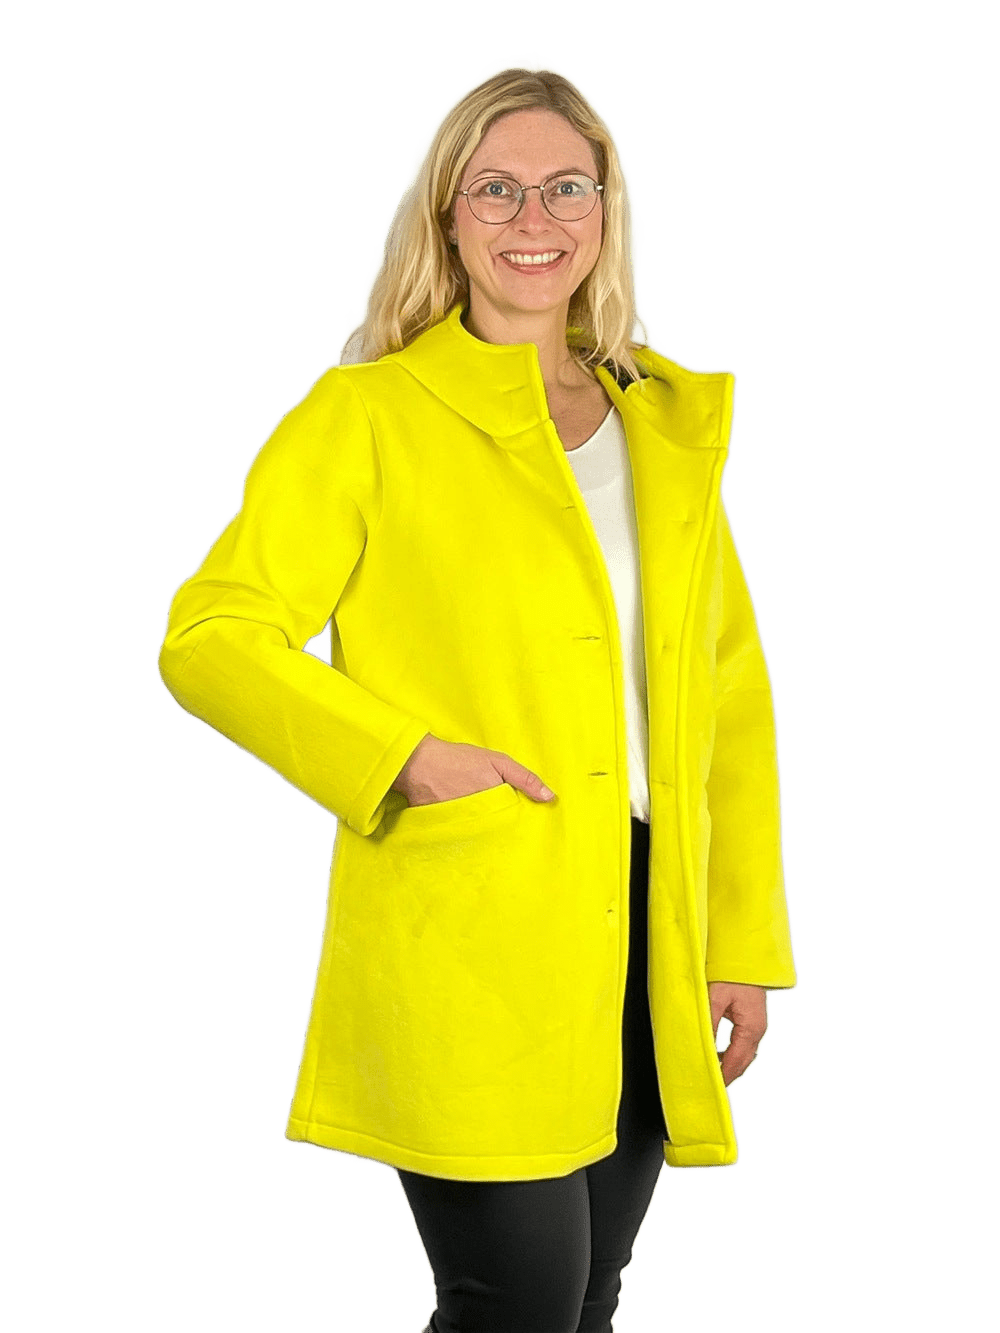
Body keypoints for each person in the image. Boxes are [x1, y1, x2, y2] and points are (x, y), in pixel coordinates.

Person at [157, 58, 798, 1333]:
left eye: (566, 187)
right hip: (471, 924)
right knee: (517, 1298)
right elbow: (211, 635)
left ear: (608, 211)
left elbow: (728, 697)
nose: (532, 218)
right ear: (446, 218)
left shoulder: (659, 425)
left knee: (590, 1296)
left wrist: (740, 942)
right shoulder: (369, 415)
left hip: (645, 924)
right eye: (495, 189)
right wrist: (400, 751)